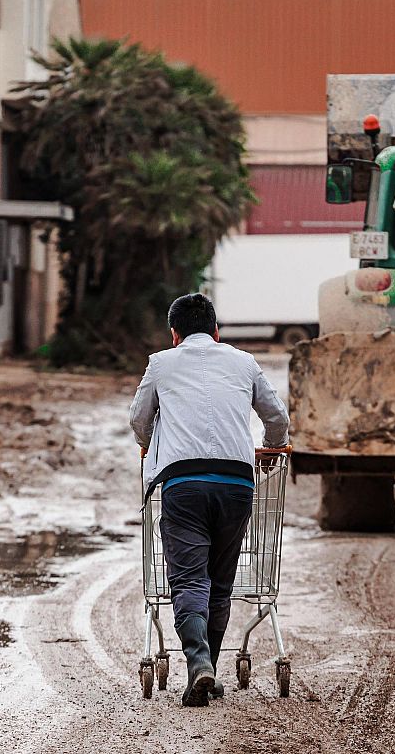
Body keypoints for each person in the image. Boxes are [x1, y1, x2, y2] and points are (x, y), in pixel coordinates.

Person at [129, 293, 290, 706]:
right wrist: (271, 452)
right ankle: (207, 671)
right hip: (238, 483)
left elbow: (138, 419)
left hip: (183, 484)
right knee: (219, 584)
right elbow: (278, 418)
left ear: (174, 334)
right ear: (216, 332)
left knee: (187, 579)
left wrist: (151, 447)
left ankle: (199, 664)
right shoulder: (244, 362)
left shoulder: (161, 364)